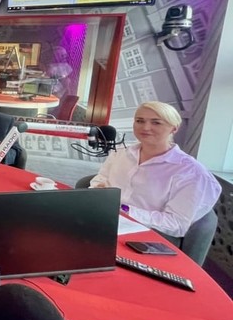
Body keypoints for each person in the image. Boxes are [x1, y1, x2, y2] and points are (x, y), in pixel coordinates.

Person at [90, 101, 221, 238]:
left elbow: (176, 224)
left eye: (156, 123)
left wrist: (124, 210)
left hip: (147, 233)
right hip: (104, 220)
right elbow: (101, 178)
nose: (145, 127)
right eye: (140, 121)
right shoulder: (121, 153)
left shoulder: (192, 172)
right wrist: (97, 191)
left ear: (174, 128)